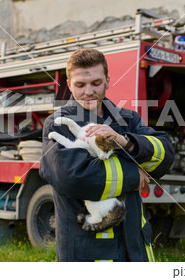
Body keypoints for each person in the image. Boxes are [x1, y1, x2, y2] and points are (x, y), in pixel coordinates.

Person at [40, 48, 174, 262]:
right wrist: (133, 173)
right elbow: (73, 177)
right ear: (69, 84)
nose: (88, 92)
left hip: (135, 247)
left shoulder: (127, 119)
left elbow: (164, 154)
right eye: (80, 85)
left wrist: (125, 141)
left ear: (108, 80)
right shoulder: (58, 123)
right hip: (89, 249)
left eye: (96, 83)